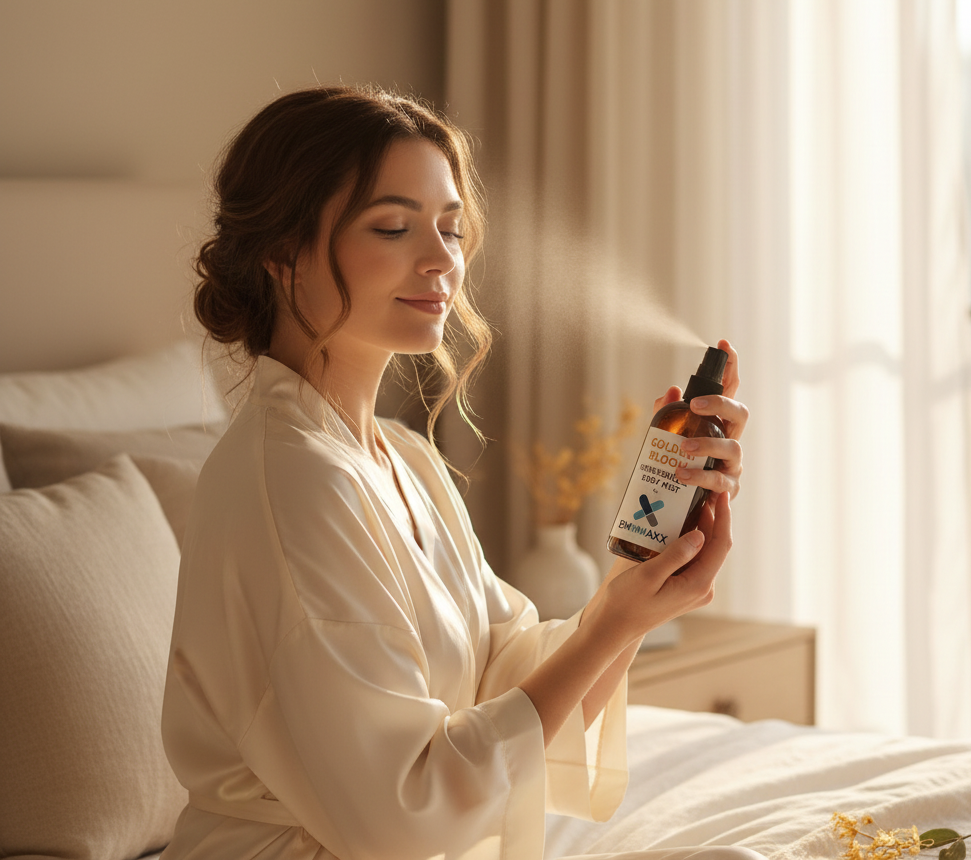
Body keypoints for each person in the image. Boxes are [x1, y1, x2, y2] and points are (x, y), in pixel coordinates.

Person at [160, 86, 759, 860]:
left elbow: (513, 689)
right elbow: (401, 811)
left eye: (450, 227)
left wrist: (634, 595)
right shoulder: (291, 483)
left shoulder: (400, 458)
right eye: (393, 226)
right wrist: (610, 622)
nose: (443, 259)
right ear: (282, 254)